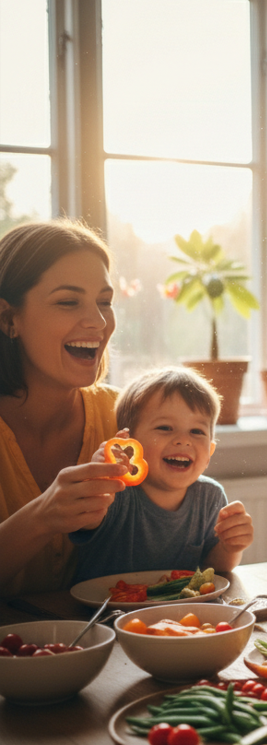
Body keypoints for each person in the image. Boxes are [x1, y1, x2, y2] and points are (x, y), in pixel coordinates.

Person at [0, 219, 129, 598]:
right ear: (9, 319)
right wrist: (43, 517)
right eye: (68, 302)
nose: (99, 321)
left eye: (104, 302)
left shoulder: (123, 416)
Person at [69, 366, 254, 582]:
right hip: (103, 610)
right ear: (130, 443)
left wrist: (231, 547)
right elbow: (83, 521)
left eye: (197, 431)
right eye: (165, 428)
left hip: (176, 612)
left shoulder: (210, 496)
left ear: (209, 452)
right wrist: (96, 482)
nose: (184, 440)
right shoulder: (115, 490)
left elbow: (212, 568)